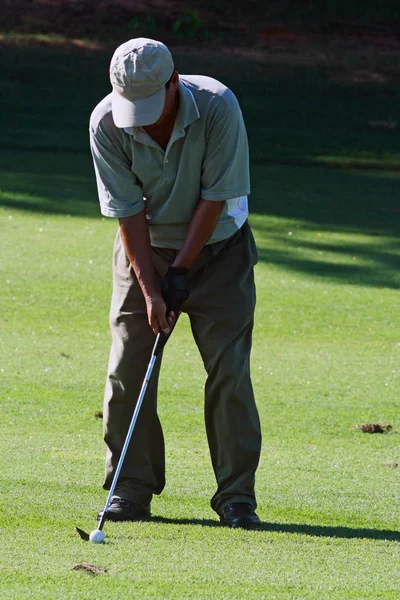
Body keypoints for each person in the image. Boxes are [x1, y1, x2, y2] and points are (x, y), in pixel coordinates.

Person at [89, 37, 262, 529]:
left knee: (229, 372)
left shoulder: (217, 106)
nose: (140, 118)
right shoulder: (106, 122)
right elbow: (127, 211)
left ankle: (236, 497)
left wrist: (181, 272)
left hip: (220, 248)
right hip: (146, 251)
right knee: (127, 369)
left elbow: (216, 198)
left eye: (150, 104)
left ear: (173, 81)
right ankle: (129, 488)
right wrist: (151, 289)